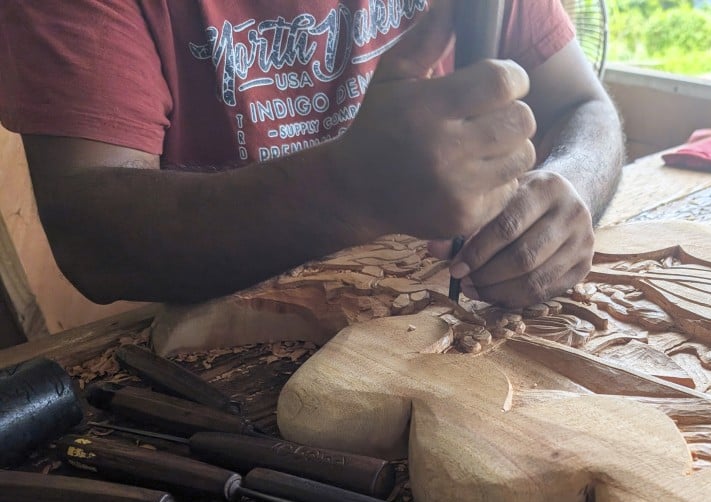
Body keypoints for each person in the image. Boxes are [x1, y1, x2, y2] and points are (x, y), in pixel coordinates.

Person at [0, 0, 624, 310]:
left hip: (443, 314)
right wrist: (345, 189)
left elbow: (583, 107)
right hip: (234, 363)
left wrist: (567, 186)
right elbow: (89, 231)